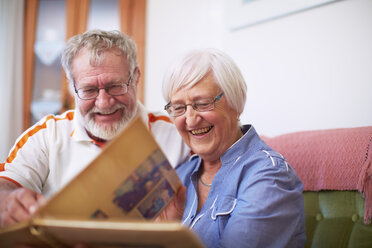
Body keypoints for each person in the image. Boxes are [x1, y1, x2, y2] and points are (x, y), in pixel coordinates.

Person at [0, 30, 190, 228]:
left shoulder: (178, 135)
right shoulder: (46, 136)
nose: (104, 102)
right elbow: (7, 185)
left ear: (136, 78)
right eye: (89, 90)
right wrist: (7, 202)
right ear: (71, 88)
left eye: (115, 86)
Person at [162, 49, 306, 247]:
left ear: (236, 101)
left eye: (203, 103)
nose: (190, 119)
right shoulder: (179, 175)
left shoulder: (269, 175)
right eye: (178, 108)